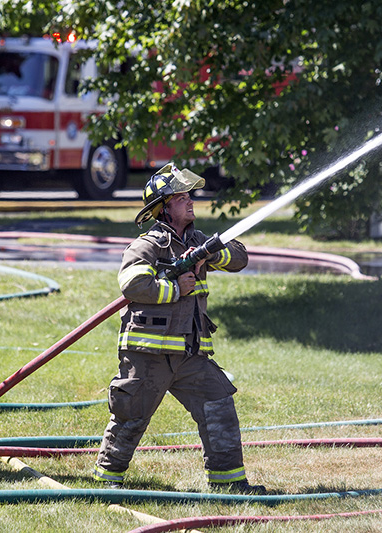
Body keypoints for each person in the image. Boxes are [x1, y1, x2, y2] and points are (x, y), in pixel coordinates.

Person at [92, 163, 266, 494]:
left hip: (190, 354)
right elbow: (132, 284)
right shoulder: (148, 246)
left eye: (189, 196)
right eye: (181, 197)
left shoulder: (199, 241)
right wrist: (175, 288)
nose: (190, 201)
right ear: (163, 207)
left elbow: (240, 258)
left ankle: (229, 483)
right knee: (131, 417)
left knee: (219, 405)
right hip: (149, 354)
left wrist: (209, 255)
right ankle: (106, 482)